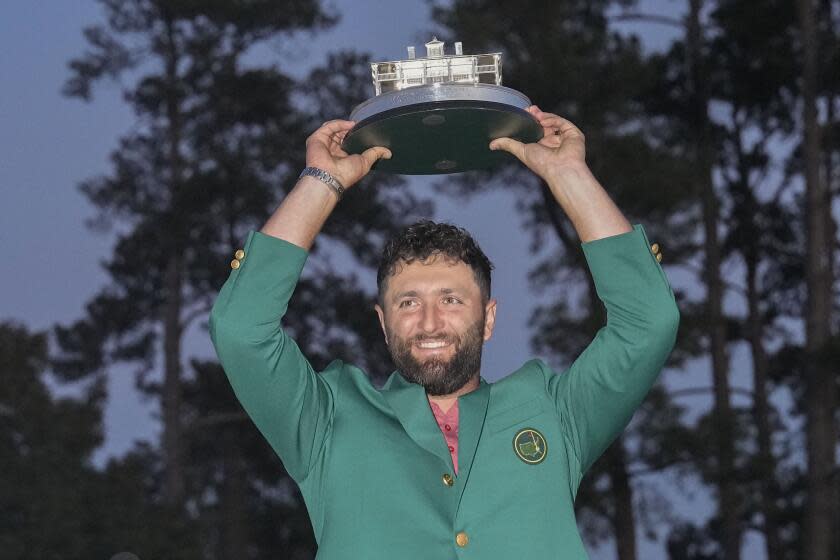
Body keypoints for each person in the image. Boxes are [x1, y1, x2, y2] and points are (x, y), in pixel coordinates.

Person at [209, 106, 680, 559]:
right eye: (408, 303)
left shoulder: (556, 414)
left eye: (451, 300)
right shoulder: (326, 421)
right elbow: (240, 327)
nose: (430, 322)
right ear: (383, 321)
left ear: (488, 318)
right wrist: (321, 181)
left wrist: (568, 174)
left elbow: (648, 323)